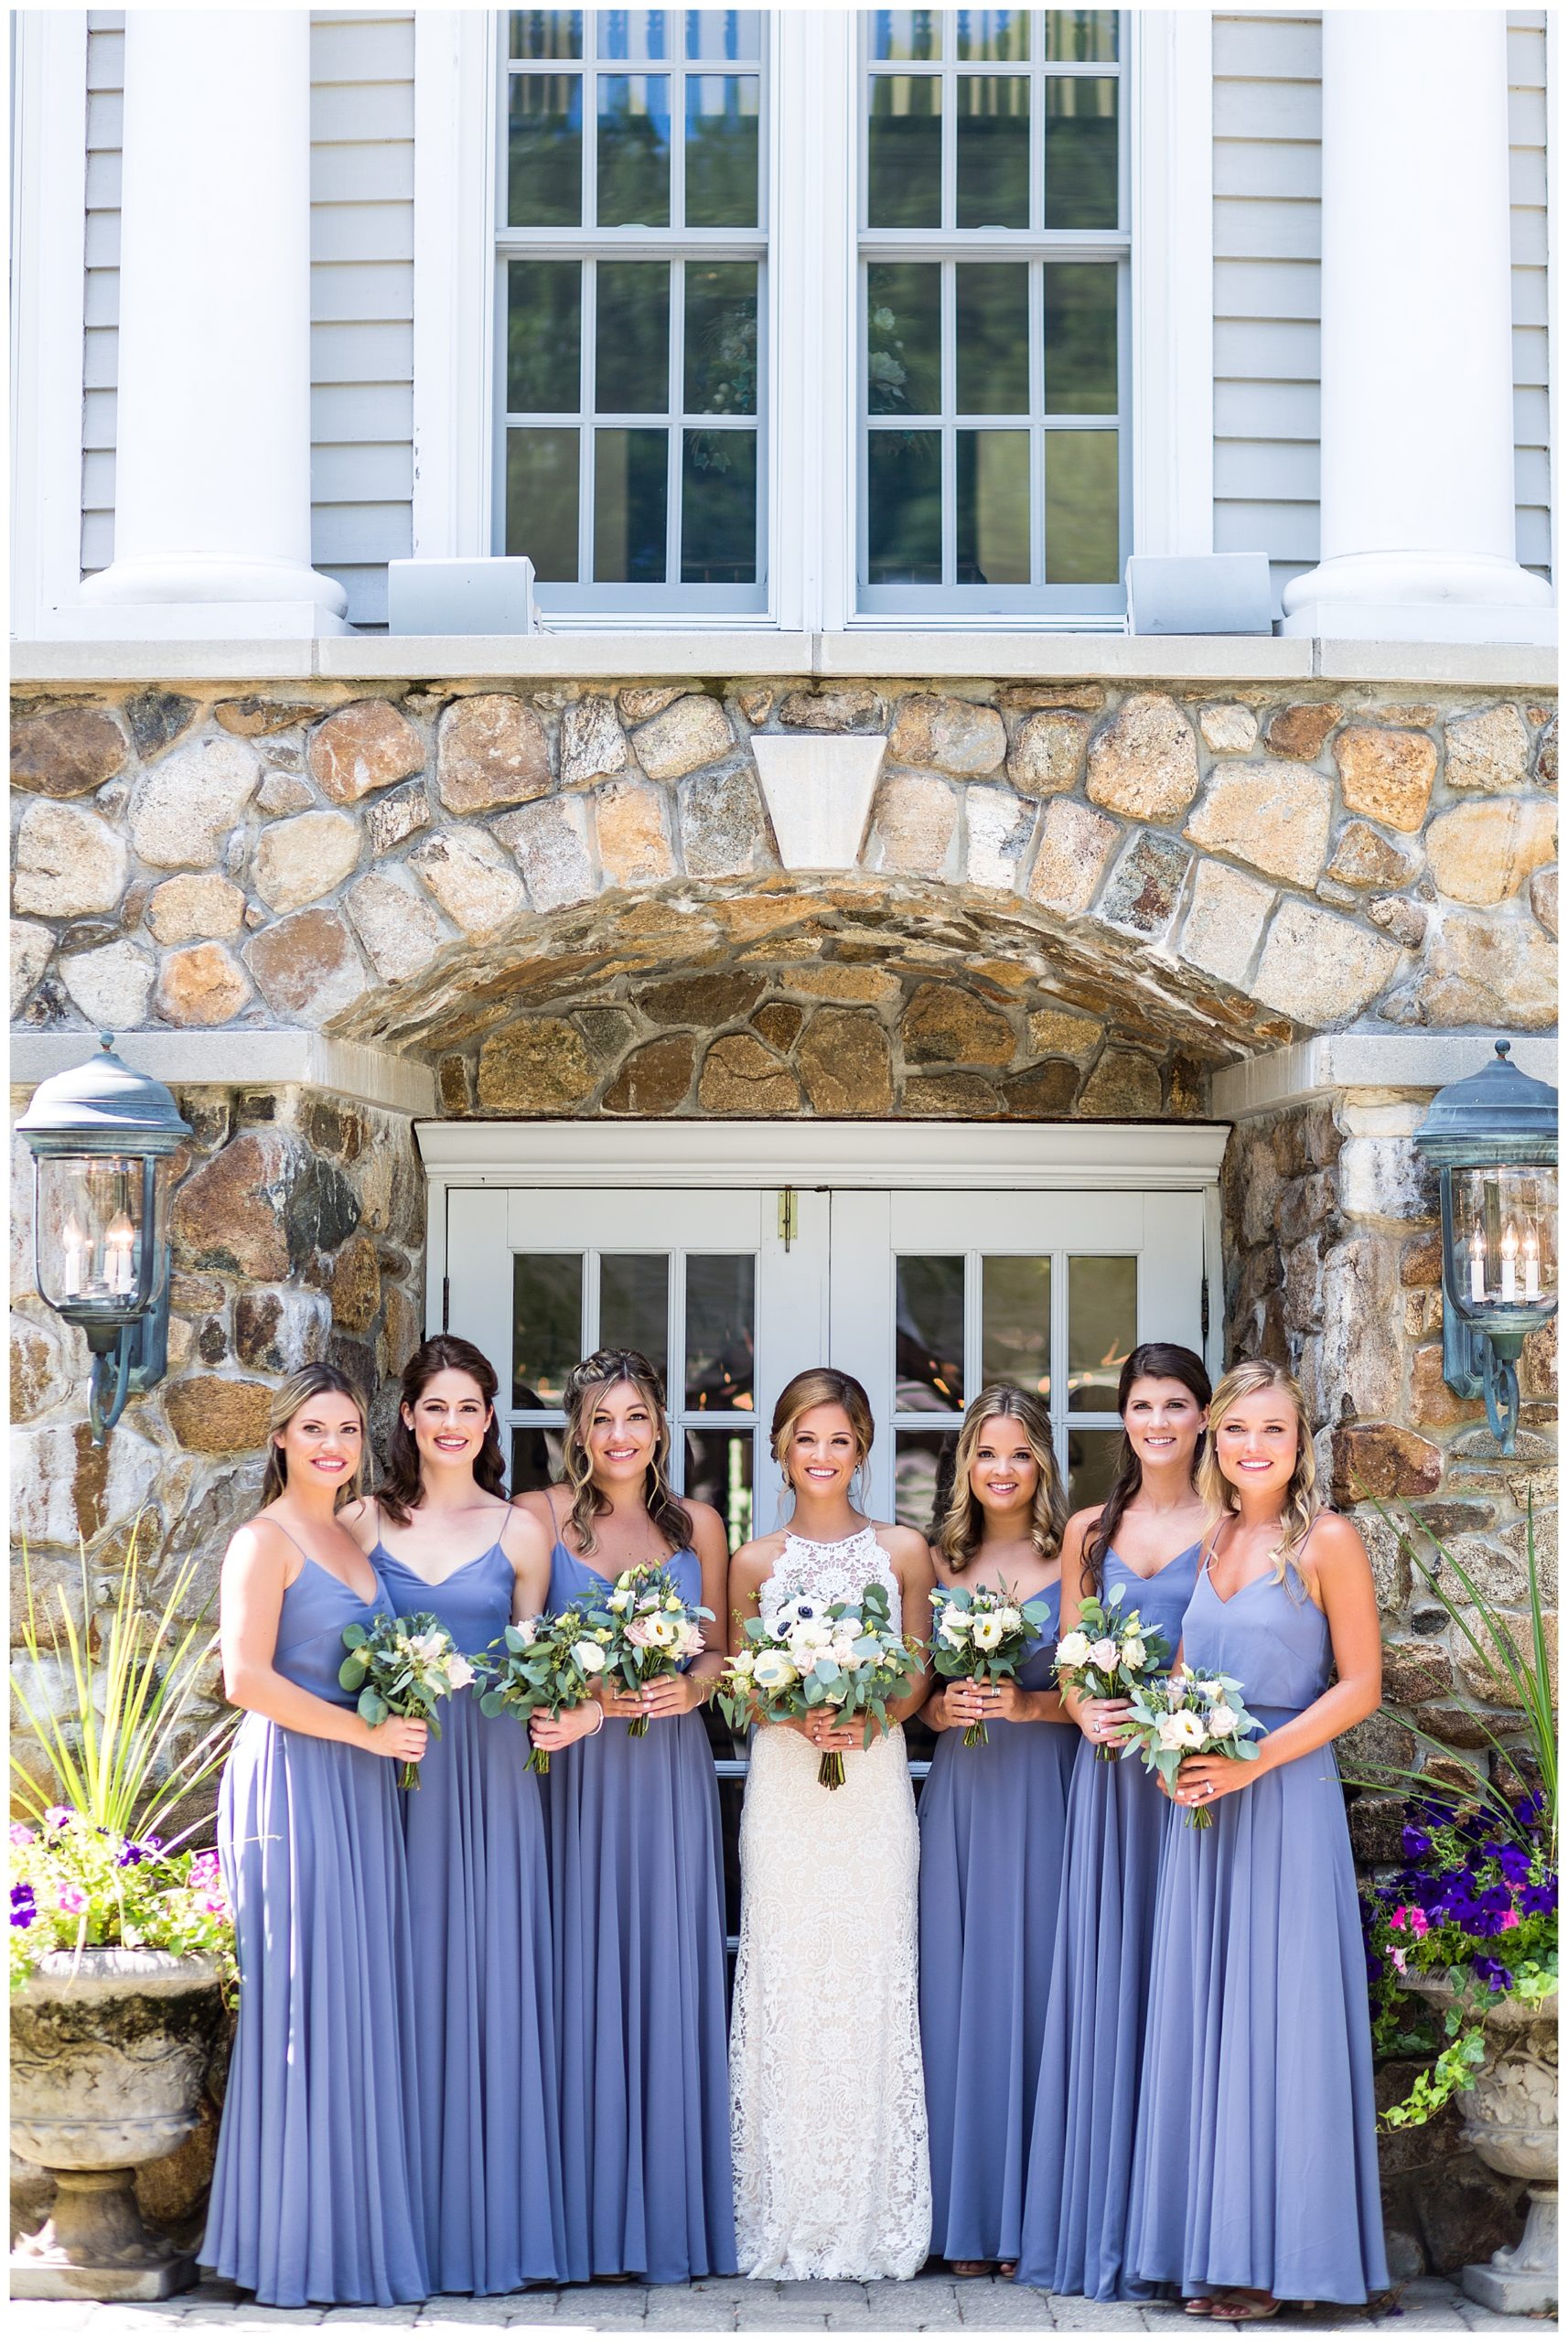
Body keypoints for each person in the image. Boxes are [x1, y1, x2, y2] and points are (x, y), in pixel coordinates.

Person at [1128, 1359, 1389, 2321]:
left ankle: (1283, 2263)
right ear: (1216, 1439)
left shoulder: (1328, 1540)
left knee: (1283, 2022)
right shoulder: (1212, 1537)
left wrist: (1254, 1762)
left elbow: (1361, 1686)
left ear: (1298, 1441)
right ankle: (1214, 2249)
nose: (1252, 1446)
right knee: (1209, 2022)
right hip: (1203, 1806)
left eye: (1272, 1429)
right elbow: (1183, 1671)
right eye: (1237, 1429)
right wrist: (1167, 1750)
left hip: (1284, 1800)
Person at [202, 1366, 429, 2308]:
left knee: (355, 2002)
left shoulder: (350, 1532)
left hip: (360, 1789)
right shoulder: (263, 1541)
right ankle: (290, 2248)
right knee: (304, 2001)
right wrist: (366, 1734)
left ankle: (350, 2235)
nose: (332, 1445)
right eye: (313, 1429)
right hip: (295, 1783)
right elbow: (245, 1679)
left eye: (346, 1429)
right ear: (281, 1438)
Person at [346, 1333, 566, 2296]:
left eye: (467, 1407)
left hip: (495, 1770)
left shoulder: (521, 1530)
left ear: (488, 1421)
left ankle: (496, 2230)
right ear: (406, 1416)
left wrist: (570, 1709)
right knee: (400, 1973)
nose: (450, 1423)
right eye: (433, 1406)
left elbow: (540, 1660)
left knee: (493, 1973)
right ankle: (403, 2224)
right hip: (395, 1768)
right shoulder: (361, 1520)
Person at [514, 1348, 735, 2286]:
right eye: (601, 1418)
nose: (619, 1435)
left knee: (662, 1968)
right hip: (576, 1771)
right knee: (578, 1969)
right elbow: (522, 1648)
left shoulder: (699, 1525)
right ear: (577, 1428)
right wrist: (590, 1694)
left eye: (635, 1416)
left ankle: (665, 2220)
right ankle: (579, 2222)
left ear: (659, 1427)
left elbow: (720, 1650)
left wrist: (692, 1687)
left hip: (668, 1771)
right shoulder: (538, 1517)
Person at [1015, 1341, 1213, 2301]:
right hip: (1111, 1783)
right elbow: (1067, 1655)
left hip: (1195, 1777)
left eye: (1176, 1404)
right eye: (1142, 1405)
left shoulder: (1232, 1522)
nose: (1158, 1421)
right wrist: (1082, 1704)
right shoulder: (1090, 1531)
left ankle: (1183, 2226)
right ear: (1123, 1419)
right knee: (1113, 1982)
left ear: (1203, 1416)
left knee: (1184, 1989)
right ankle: (1106, 2225)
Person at [727, 1368, 935, 2280]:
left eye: (839, 1440)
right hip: (786, 1785)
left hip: (871, 1782)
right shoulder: (752, 1563)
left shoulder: (903, 1550)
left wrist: (873, 1713)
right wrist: (792, 1709)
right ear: (780, 1449)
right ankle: (785, 2208)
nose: (822, 1455)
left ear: (862, 1449)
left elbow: (918, 1672)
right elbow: (741, 1681)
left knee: (869, 1975)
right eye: (805, 1439)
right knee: (788, 1976)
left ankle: (873, 2213)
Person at [918, 1386, 1076, 2281]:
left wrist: (1025, 1703)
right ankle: (966, 2219)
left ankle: (1033, 2218)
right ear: (965, 1464)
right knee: (958, 1991)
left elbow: (1092, 1698)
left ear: (1042, 1462)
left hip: (1045, 1788)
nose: (1003, 1470)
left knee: (1041, 1985)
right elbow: (914, 1697)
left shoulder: (1076, 1553)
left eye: (1019, 1454)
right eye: (986, 1453)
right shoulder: (937, 1560)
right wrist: (937, 1710)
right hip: (964, 1794)